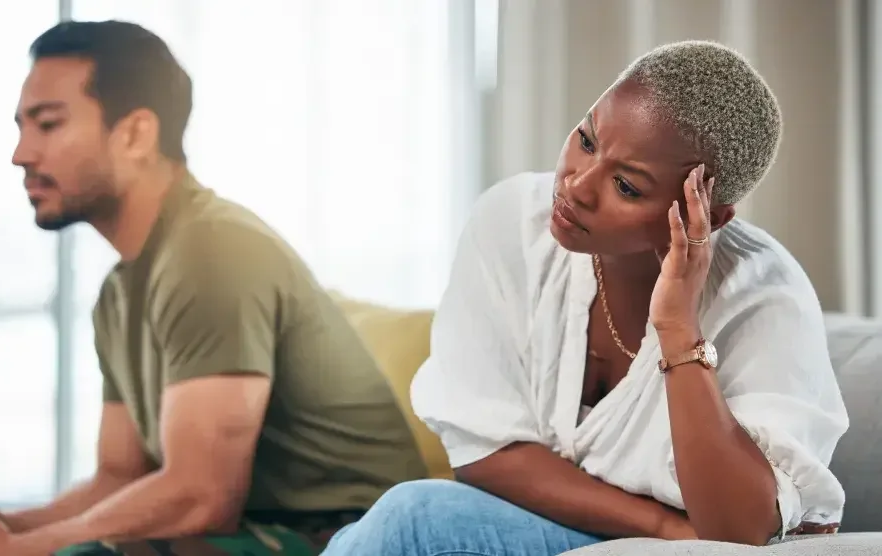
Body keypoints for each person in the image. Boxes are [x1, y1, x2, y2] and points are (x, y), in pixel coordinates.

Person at [0, 20, 429, 556]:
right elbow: (118, 478)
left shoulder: (214, 249)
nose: (21, 153)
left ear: (135, 133)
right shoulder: (118, 294)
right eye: (22, 127)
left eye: (48, 124)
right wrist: (3, 527)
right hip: (252, 532)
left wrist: (16, 551)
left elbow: (201, 497)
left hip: (348, 537)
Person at [321, 40, 850, 556]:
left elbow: (737, 534)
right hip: (607, 531)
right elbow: (482, 452)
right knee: (405, 520)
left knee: (412, 520)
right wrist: (664, 528)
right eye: (587, 139)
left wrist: (677, 330)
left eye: (627, 187)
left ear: (708, 218)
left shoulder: (765, 297)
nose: (576, 185)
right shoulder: (510, 224)